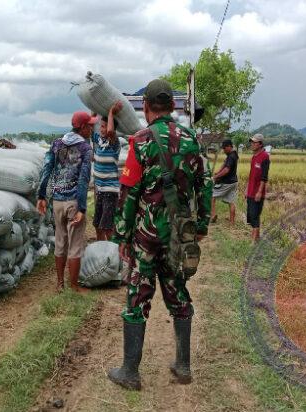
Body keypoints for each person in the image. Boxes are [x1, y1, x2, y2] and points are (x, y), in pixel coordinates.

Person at [108, 79, 213, 390]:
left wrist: (122, 237)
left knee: (137, 296)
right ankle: (183, 366)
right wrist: (202, 226)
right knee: (177, 293)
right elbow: (204, 186)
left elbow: (128, 193)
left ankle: (130, 371)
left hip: (147, 237)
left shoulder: (140, 141)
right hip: (179, 236)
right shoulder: (193, 140)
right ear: (174, 107)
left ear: (145, 106)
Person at [37, 111, 94, 293]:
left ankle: (60, 284)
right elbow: (84, 180)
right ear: (83, 127)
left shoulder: (57, 144)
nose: (92, 129)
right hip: (73, 202)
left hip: (57, 202)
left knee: (60, 242)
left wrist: (41, 196)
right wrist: (82, 208)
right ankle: (74, 286)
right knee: (75, 245)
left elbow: (46, 169)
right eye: (90, 126)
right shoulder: (85, 149)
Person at [92, 101, 123, 240]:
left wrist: (111, 112)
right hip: (99, 190)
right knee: (97, 225)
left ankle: (112, 254)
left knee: (107, 227)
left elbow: (110, 132)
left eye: (104, 126)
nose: (102, 129)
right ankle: (100, 252)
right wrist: (93, 110)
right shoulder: (99, 140)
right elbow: (89, 125)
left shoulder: (114, 143)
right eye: (101, 126)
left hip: (110, 191)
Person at [245, 133, 270, 242]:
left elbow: (264, 177)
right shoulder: (254, 157)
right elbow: (251, 175)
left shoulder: (265, 156)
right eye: (251, 142)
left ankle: (253, 241)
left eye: (254, 142)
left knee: (254, 216)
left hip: (257, 192)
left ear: (260, 144)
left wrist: (260, 192)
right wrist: (247, 189)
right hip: (251, 190)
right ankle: (258, 237)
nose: (252, 144)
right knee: (251, 216)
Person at [210, 139, 239, 224]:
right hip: (234, 182)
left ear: (229, 146)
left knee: (211, 195)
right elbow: (224, 164)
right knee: (231, 202)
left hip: (227, 182)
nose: (224, 150)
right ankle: (232, 222)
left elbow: (226, 169)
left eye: (225, 148)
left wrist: (215, 177)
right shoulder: (234, 154)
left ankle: (213, 215)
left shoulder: (231, 156)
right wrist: (218, 172)